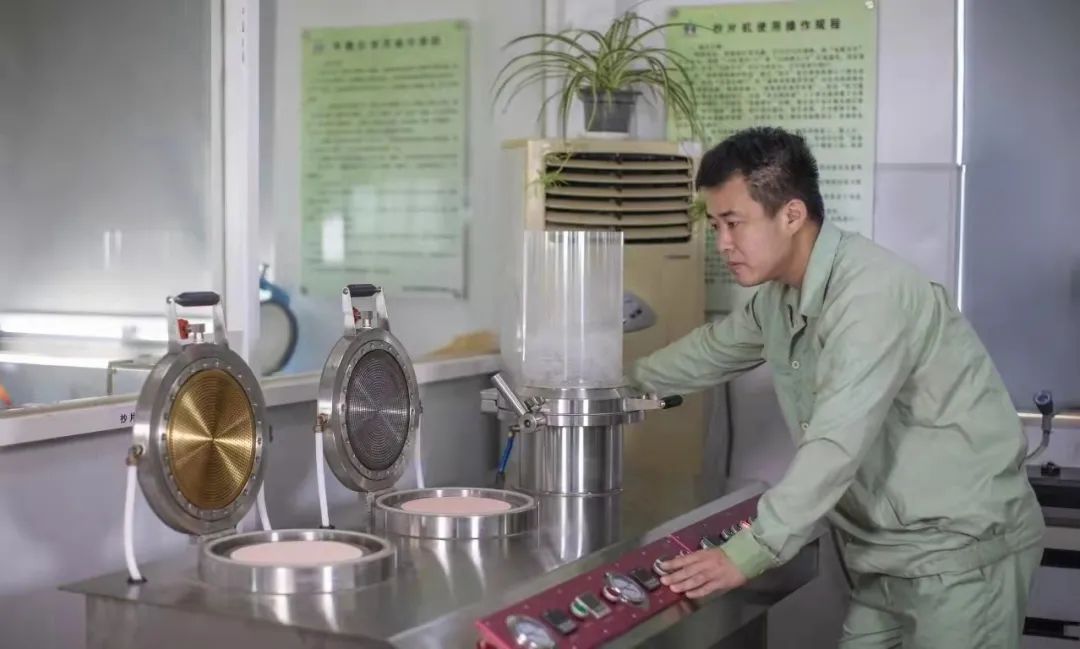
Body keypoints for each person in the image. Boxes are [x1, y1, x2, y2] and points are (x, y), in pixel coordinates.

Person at [632, 127, 1044, 648]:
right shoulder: (779, 300)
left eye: (733, 223)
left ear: (791, 215)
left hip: (961, 558)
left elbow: (836, 441)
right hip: (882, 557)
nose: (723, 244)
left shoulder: (870, 296)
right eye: (715, 226)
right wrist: (604, 386)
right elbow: (709, 351)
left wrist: (747, 553)